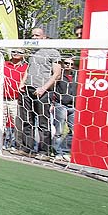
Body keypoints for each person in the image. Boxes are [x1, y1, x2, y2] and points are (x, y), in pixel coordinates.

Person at [19, 27, 62, 158]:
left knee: (43, 122)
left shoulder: (53, 52)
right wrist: (23, 82)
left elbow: (57, 74)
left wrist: (44, 88)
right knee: (27, 120)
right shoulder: (32, 51)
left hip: (43, 91)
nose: (34, 38)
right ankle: (27, 148)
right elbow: (28, 69)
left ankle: (44, 151)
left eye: (37, 35)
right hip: (28, 89)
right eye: (32, 36)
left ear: (44, 37)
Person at [0, 49, 27, 150]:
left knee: (17, 124)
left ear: (24, 54)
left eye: (20, 52)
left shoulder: (26, 67)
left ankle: (17, 145)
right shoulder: (3, 64)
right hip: (1, 98)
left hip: (15, 100)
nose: (16, 53)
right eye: (14, 51)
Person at [52, 57, 77, 163]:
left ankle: (65, 151)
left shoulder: (77, 76)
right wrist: (53, 103)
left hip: (73, 106)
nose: (68, 65)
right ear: (63, 64)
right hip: (61, 105)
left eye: (71, 64)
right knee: (59, 130)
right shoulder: (59, 75)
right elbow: (53, 88)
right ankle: (57, 152)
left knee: (74, 130)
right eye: (66, 63)